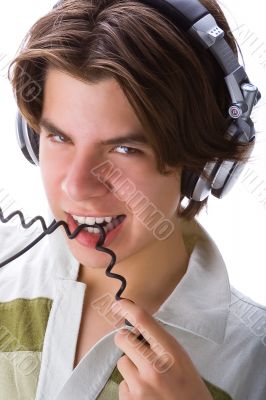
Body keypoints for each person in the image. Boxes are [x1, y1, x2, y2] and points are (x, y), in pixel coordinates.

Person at [0, 0, 265, 399]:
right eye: (59, 137)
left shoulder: (254, 359)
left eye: (124, 149)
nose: (77, 186)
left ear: (202, 166)